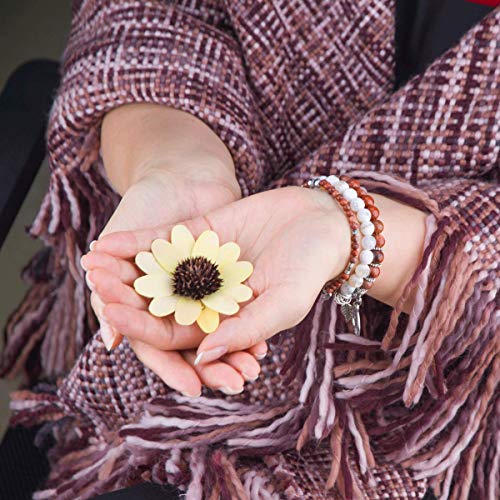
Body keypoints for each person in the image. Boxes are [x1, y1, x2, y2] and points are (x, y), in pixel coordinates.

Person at [1, 1, 498, 498]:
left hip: (412, 429)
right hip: (120, 383)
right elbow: (144, 19)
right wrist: (176, 161)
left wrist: (355, 234)